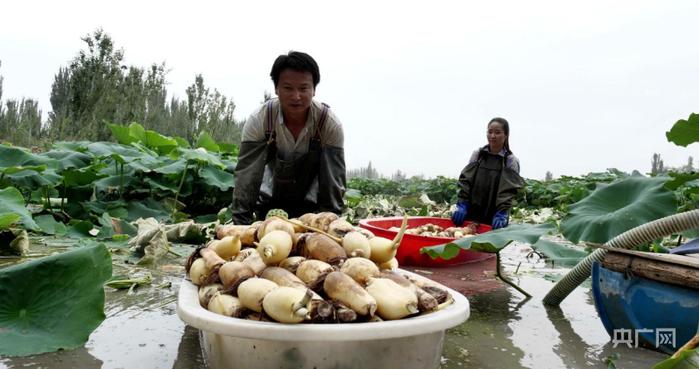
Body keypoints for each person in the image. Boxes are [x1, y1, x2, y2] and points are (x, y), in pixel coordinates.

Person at [231, 51, 346, 224]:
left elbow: (332, 184)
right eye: (288, 88)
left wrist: (328, 225)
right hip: (269, 205)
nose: (296, 96)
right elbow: (247, 177)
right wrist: (241, 225)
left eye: (303, 88)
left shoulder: (329, 124)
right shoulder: (260, 120)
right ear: (276, 89)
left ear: (314, 89)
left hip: (312, 209)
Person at [451, 117, 524, 229]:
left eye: (497, 132)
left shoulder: (510, 160)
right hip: (471, 211)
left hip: (495, 216)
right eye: (490, 132)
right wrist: (462, 204)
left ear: (506, 135)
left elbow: (509, 191)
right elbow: (466, 181)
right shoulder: (478, 155)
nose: (492, 136)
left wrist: (502, 213)